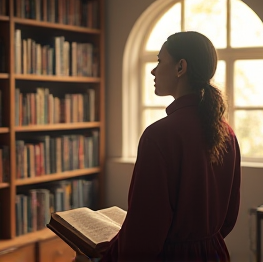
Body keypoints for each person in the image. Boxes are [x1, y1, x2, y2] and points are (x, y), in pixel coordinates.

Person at [74, 31, 241, 262]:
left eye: (160, 61)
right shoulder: (227, 133)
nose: (153, 70)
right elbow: (229, 217)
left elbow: (143, 238)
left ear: (180, 67)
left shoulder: (159, 136)